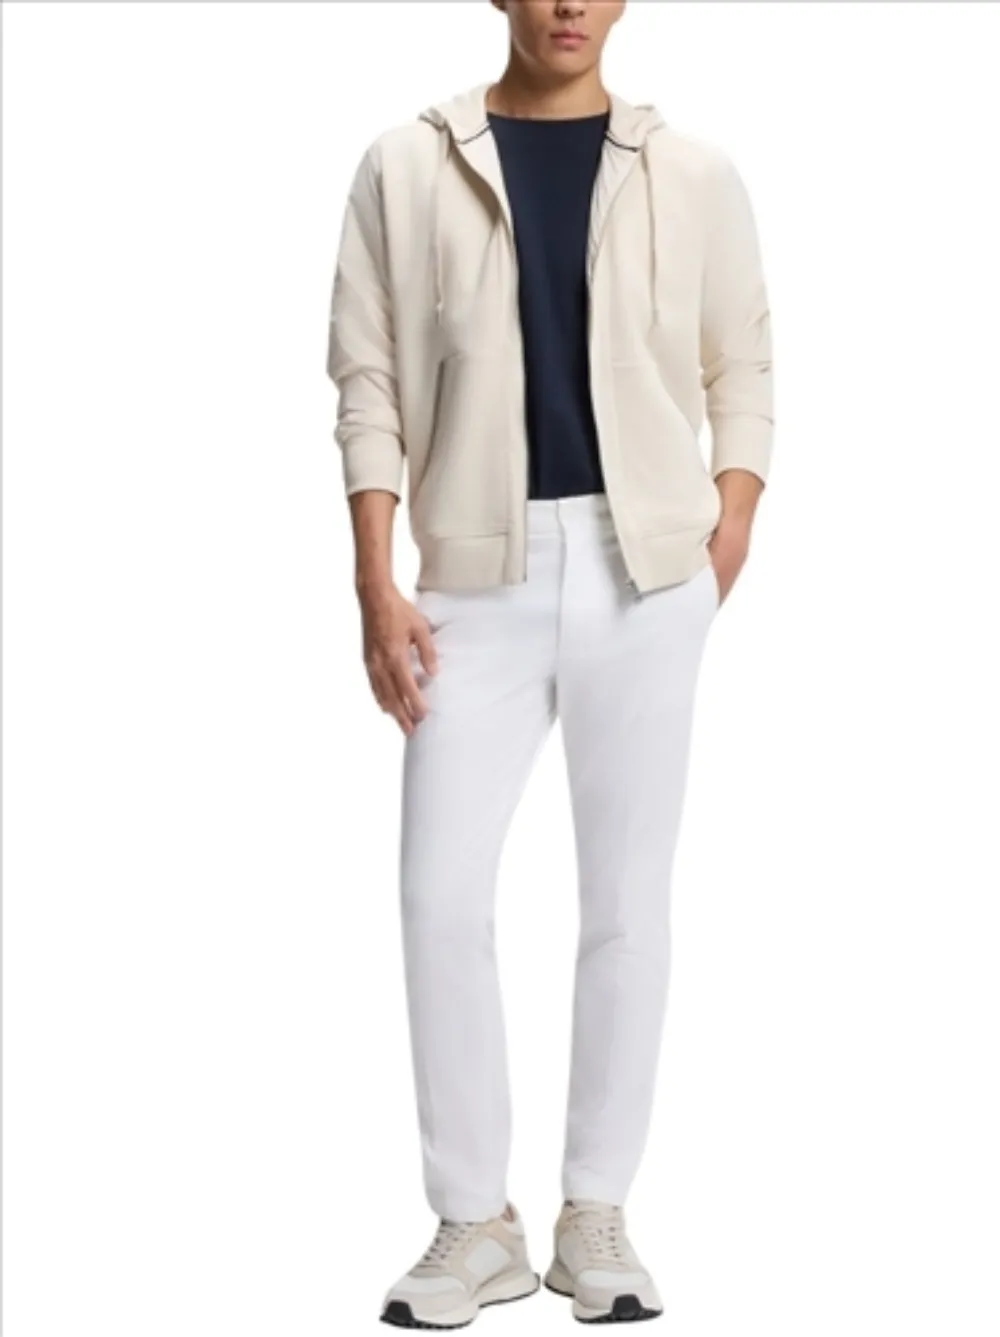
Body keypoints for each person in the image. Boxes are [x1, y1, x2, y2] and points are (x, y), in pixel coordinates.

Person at [326, 0, 773, 1326]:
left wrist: (726, 532)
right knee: (437, 897)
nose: (570, 3)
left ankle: (595, 1214)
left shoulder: (690, 170)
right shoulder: (407, 163)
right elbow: (366, 382)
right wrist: (374, 580)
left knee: (627, 902)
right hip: (475, 575)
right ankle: (474, 1223)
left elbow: (743, 364)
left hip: (651, 571)